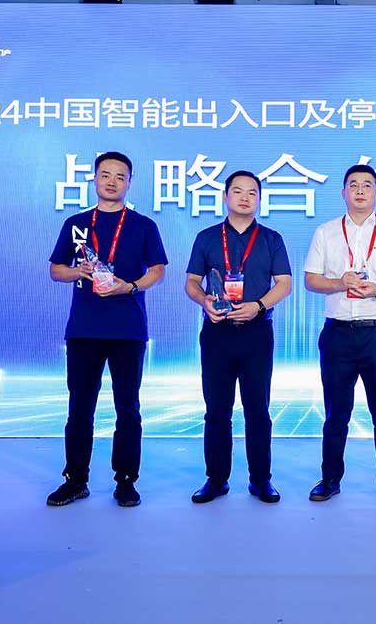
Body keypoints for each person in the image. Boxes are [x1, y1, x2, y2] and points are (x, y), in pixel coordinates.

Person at [47, 151, 167, 507]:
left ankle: (126, 481)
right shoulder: (76, 224)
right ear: (95, 179)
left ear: (129, 183)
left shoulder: (143, 226)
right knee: (79, 407)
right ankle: (75, 479)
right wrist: (78, 272)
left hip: (128, 328)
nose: (112, 181)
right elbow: (56, 270)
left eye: (120, 176)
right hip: (84, 328)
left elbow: (157, 271)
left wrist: (129, 286)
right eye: (105, 175)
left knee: (127, 408)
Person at [303, 164, 376, 505]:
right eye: (354, 185)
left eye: (368, 185)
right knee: (336, 413)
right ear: (343, 193)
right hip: (337, 333)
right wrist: (340, 282)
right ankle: (330, 479)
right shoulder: (326, 232)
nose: (361, 190)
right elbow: (311, 280)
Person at [184, 170, 292, 504]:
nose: (245, 198)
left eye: (252, 193)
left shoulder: (271, 238)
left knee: (257, 409)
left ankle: (261, 480)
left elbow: (284, 283)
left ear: (259, 199)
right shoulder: (206, 237)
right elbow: (192, 282)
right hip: (217, 331)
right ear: (225, 197)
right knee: (217, 410)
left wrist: (258, 306)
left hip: (257, 333)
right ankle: (216, 479)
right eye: (238, 191)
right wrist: (204, 301)